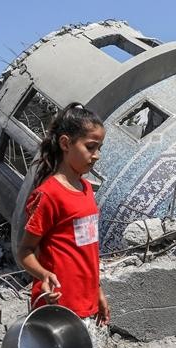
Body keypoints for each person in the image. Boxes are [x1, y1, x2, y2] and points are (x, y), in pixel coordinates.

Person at [18, 102, 110, 329]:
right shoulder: (49, 195)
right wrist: (43, 274)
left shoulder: (86, 189)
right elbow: (25, 251)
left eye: (99, 148)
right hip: (57, 305)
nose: (96, 155)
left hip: (85, 303)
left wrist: (97, 291)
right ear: (66, 143)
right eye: (90, 147)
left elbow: (87, 251)